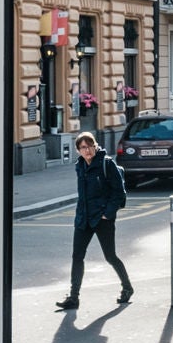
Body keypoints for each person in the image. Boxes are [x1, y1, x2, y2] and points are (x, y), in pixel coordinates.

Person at [57, 132, 131, 310]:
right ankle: (74, 298)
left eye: (90, 146)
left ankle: (127, 288)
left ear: (95, 146)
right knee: (77, 256)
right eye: (83, 147)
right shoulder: (80, 166)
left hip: (102, 218)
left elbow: (119, 192)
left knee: (110, 256)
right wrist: (80, 214)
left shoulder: (106, 164)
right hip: (84, 217)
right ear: (78, 150)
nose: (87, 150)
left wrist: (108, 213)